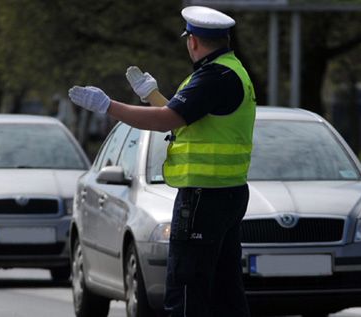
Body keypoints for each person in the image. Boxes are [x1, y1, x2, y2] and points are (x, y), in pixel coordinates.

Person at [68, 5, 255, 317]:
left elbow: (166, 119)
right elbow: (185, 121)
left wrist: (108, 105)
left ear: (193, 41)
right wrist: (152, 95)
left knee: (185, 289)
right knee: (225, 291)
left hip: (202, 197)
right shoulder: (231, 70)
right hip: (227, 192)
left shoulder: (213, 76)